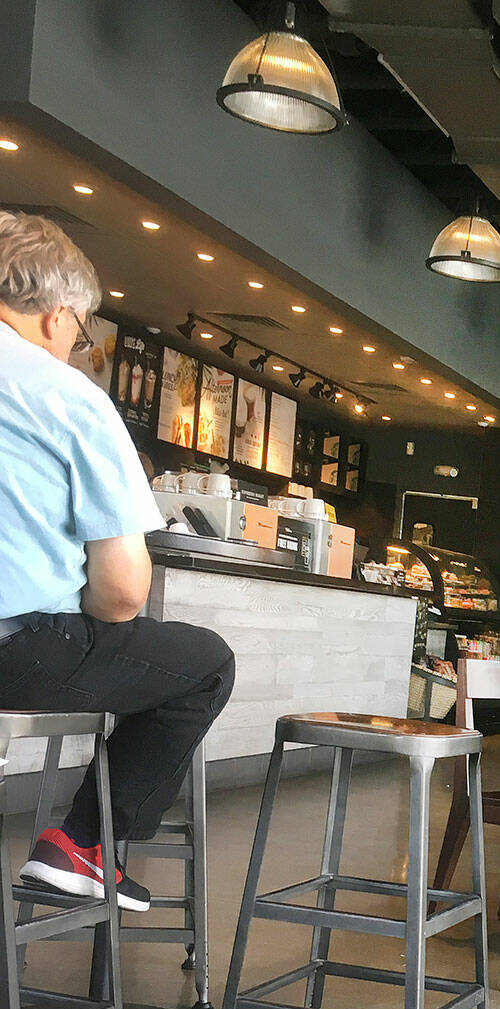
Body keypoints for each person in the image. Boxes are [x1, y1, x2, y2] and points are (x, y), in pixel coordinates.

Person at [0, 211, 235, 911]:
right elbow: (123, 592)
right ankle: (84, 846)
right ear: (57, 317)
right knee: (205, 663)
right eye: (79, 330)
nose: (75, 344)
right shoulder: (66, 395)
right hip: (17, 649)